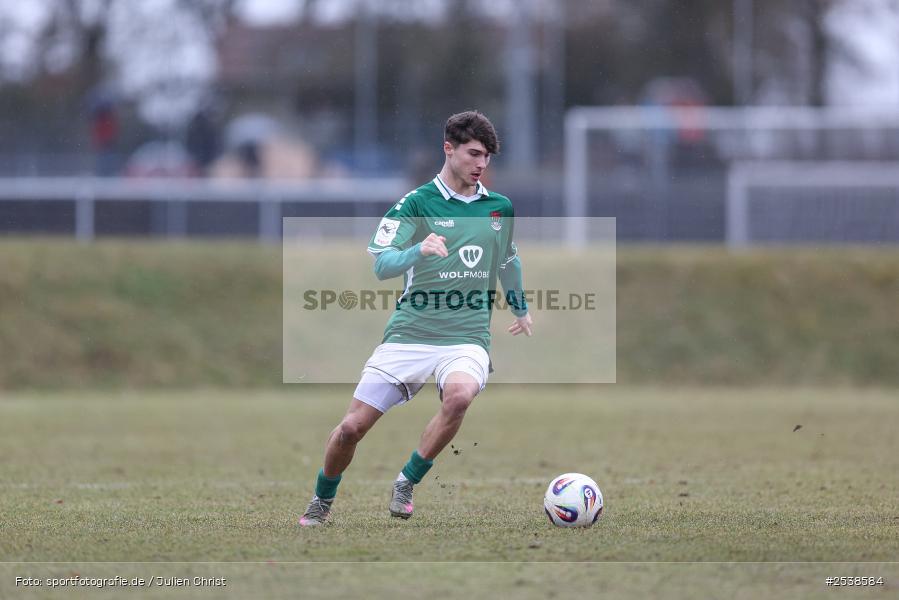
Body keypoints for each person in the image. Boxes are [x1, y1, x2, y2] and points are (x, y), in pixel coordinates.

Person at [300, 111, 533, 526]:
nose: (482, 164)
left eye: (488, 157)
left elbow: (508, 260)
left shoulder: (499, 208)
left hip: (466, 336)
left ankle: (407, 480)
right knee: (351, 429)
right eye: (474, 153)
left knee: (459, 397)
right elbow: (382, 266)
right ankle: (322, 498)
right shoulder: (415, 203)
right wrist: (417, 251)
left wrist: (520, 307)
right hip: (409, 334)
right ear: (449, 148)